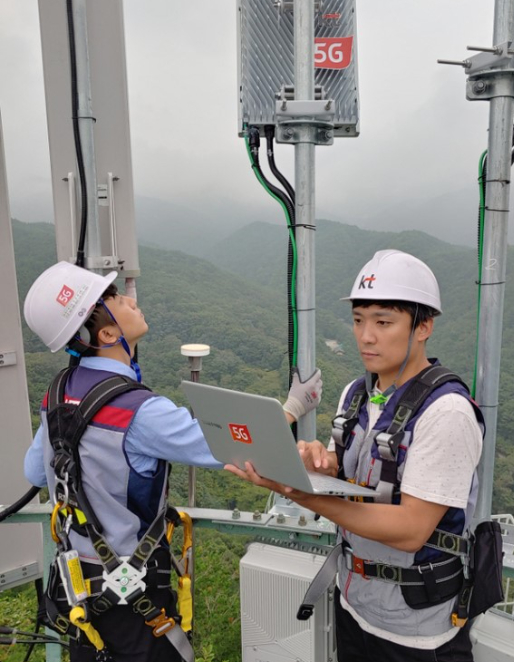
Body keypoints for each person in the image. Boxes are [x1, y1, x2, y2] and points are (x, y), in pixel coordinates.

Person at [23, 260, 322, 662]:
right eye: (115, 298)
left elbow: (32, 471)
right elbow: (230, 444)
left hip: (79, 594)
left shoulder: (56, 393)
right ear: (108, 333)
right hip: (133, 599)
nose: (129, 299)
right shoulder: (138, 411)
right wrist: (292, 407)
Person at [226, 249, 484, 662]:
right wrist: (317, 463)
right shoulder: (356, 394)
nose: (366, 336)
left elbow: (412, 529)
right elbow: (345, 472)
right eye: (359, 320)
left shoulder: (446, 412)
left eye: (383, 322)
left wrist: (303, 495)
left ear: (424, 327)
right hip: (354, 607)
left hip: (416, 634)